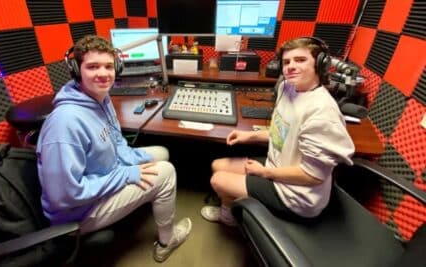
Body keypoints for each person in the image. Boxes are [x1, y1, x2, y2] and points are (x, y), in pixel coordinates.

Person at [36, 35, 191, 262]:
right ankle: (167, 241)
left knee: (161, 152)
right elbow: (65, 195)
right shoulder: (65, 124)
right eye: (92, 67)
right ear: (77, 70)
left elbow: (116, 141)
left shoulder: (101, 98)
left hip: (104, 174)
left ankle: (148, 199)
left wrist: (131, 160)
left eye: (109, 66)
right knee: (166, 172)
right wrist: (127, 174)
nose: (103, 73)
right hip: (79, 212)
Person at [200, 37, 355, 225]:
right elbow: (282, 133)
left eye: (300, 60)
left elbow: (313, 176)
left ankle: (230, 218)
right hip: (277, 167)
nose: (290, 66)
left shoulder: (322, 112)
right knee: (217, 164)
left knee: (219, 180)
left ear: (321, 64)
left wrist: (265, 173)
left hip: (297, 195)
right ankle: (236, 205)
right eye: (286, 62)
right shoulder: (287, 88)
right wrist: (249, 136)